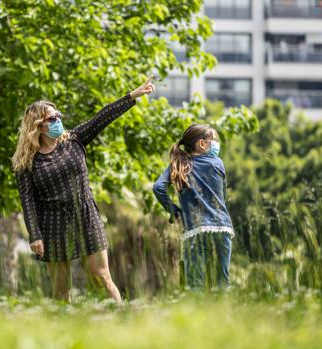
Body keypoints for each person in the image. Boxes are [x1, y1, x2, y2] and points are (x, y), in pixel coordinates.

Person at [12, 77, 155, 302]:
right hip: (53, 224)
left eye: (59, 115)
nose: (58, 120)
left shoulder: (74, 140)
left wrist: (132, 96)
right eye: (52, 118)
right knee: (60, 289)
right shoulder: (26, 163)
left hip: (86, 216)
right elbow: (28, 203)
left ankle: (121, 320)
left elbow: (102, 117)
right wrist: (35, 235)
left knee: (101, 277)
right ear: (38, 125)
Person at [152, 124, 234, 290]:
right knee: (222, 283)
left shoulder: (179, 165)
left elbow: (158, 187)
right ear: (202, 144)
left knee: (195, 284)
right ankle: (225, 315)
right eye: (214, 141)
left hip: (195, 230)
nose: (216, 145)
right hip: (222, 227)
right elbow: (222, 197)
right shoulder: (217, 163)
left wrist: (175, 212)